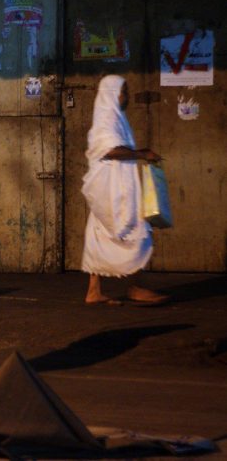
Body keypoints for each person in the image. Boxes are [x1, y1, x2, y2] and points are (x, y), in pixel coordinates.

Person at [81, 75, 169, 305]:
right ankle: (136, 287)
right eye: (124, 92)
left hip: (113, 186)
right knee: (137, 230)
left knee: (98, 234)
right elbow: (110, 151)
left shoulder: (116, 118)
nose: (126, 97)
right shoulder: (107, 119)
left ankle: (94, 291)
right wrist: (143, 154)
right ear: (112, 93)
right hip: (112, 191)